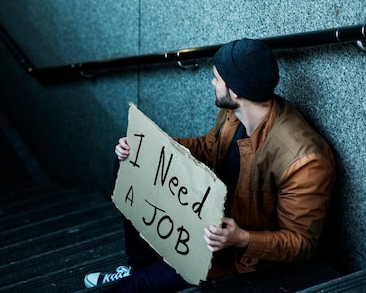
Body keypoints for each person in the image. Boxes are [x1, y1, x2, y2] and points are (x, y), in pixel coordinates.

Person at [84, 38, 336, 292]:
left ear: (235, 90)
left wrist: (242, 238)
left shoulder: (304, 162)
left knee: (138, 287)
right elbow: (210, 147)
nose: (212, 83)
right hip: (207, 213)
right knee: (129, 162)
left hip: (235, 248)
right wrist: (148, 147)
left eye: (217, 78)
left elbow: (302, 243)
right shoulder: (237, 111)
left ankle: (140, 276)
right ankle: (139, 266)